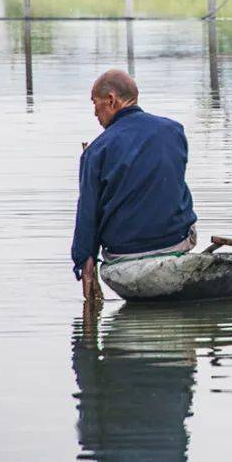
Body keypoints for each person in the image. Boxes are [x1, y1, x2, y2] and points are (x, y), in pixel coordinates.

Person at [71, 69, 197, 301]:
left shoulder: (96, 151)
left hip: (122, 253)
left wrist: (85, 267)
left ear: (111, 100)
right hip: (174, 242)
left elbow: (87, 216)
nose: (94, 112)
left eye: (95, 103)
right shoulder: (174, 130)